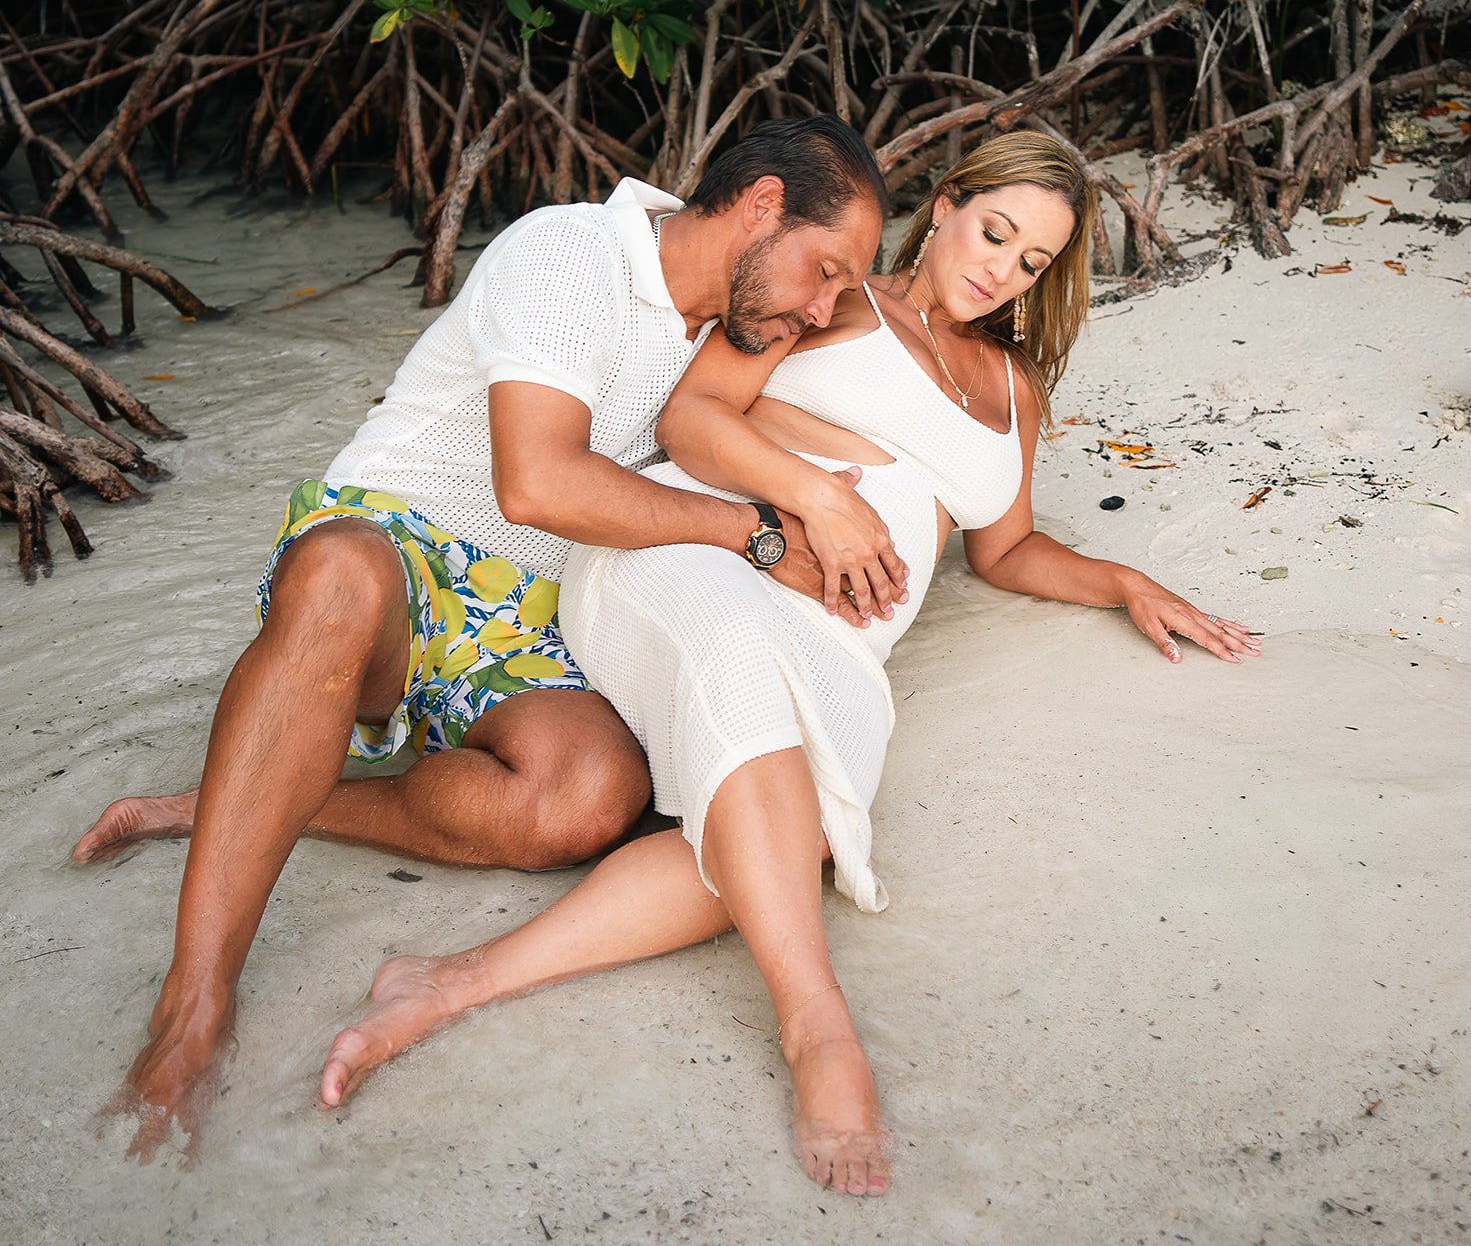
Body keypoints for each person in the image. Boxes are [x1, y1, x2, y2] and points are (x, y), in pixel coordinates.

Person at [311, 131, 1259, 1197]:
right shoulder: (832, 300)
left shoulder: (1011, 391)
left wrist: (1123, 580)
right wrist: (813, 496)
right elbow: (692, 416)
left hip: (838, 632)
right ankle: (818, 1030)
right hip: (699, 558)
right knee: (750, 698)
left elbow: (1007, 549)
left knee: (791, 834)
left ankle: (449, 985)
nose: (1001, 268)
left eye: (1031, 261)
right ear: (945, 205)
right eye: (993, 231)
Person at [71, 115, 901, 1162]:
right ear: (762, 205)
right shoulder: (571, 251)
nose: (822, 306)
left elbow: (889, 372)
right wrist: (755, 530)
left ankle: (236, 800)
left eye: (838, 290)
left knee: (588, 799)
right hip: (397, 546)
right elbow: (537, 480)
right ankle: (191, 1011)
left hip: (529, 622)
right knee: (337, 575)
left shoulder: (743, 336)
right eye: (822, 271)